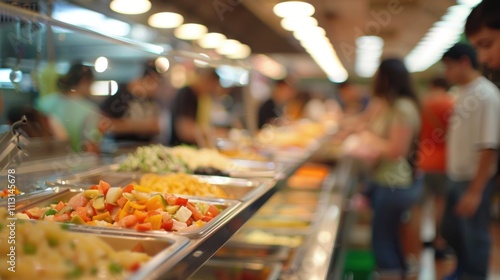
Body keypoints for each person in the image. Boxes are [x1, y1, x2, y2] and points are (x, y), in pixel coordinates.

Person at [346, 58, 422, 280]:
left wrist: (368, 138)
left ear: (386, 78)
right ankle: (399, 273)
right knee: (389, 238)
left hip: (394, 183)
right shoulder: (392, 105)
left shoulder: (402, 108)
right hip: (388, 181)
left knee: (382, 241)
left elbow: (396, 149)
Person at [439, 43, 500, 280]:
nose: (447, 73)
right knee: (451, 230)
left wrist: (475, 191)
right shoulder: (462, 92)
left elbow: (489, 146)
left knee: (475, 235)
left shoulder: (486, 95)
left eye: (449, 67)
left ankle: (474, 275)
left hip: (473, 179)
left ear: (464, 62)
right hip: (455, 176)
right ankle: (462, 270)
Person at [417, 77, 455, 259]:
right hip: (444, 161)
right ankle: (438, 241)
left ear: (432, 85)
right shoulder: (451, 103)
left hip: (423, 158)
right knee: (441, 204)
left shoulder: (423, 102)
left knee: (420, 205)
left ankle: (414, 245)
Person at [37, 63, 102, 153]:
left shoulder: (43, 103)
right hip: (77, 164)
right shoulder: (90, 110)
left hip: (44, 161)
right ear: (84, 81)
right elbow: (90, 147)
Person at [100, 60, 164, 144]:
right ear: (150, 78)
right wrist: (140, 126)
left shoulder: (155, 99)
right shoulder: (121, 95)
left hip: (148, 148)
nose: (159, 88)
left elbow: (161, 126)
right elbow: (103, 123)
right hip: (121, 149)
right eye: (157, 83)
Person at [169, 68, 221, 147]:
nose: (211, 91)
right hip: (180, 148)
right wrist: (213, 133)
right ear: (207, 80)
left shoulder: (199, 97)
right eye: (212, 88)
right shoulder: (187, 93)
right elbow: (184, 130)